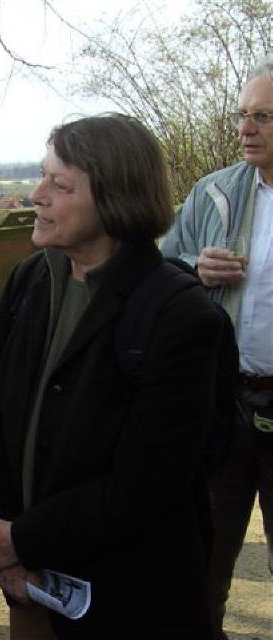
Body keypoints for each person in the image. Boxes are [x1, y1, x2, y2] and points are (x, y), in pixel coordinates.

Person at [0, 113, 224, 638]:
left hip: (132, 595)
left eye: (58, 184)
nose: (36, 194)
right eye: (41, 176)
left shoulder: (182, 316)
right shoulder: (30, 281)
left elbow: (147, 485)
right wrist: (4, 547)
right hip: (31, 584)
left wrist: (24, 538)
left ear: (115, 200)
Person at [160, 54, 273, 639]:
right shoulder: (216, 191)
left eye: (263, 117)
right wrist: (193, 268)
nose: (246, 129)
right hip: (224, 406)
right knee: (203, 562)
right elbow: (161, 262)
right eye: (242, 115)